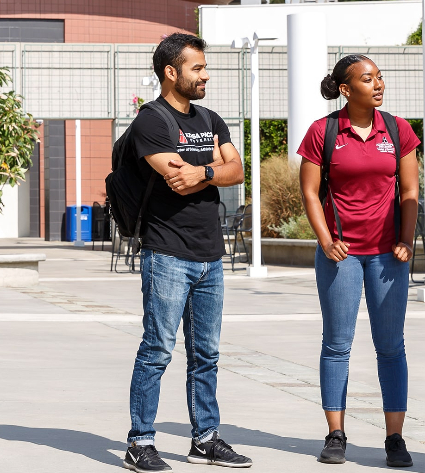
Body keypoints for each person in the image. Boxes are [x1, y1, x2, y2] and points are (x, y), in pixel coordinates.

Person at [123, 33, 251, 472]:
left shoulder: (211, 119)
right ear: (170, 72)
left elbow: (237, 171)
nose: (205, 75)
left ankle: (206, 438)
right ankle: (140, 441)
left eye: (205, 67)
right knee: (157, 349)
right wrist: (211, 170)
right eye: (197, 68)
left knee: (207, 355)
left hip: (210, 254)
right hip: (167, 254)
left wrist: (205, 171)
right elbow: (176, 178)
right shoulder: (152, 121)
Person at [298, 55, 420, 468]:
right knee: (337, 345)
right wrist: (326, 239)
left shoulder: (398, 129)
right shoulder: (324, 131)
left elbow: (409, 190)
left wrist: (406, 240)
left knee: (391, 347)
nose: (378, 84)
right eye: (368, 79)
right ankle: (336, 434)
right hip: (342, 255)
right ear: (347, 90)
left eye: (380, 77)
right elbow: (311, 192)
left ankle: (395, 439)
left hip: (388, 256)